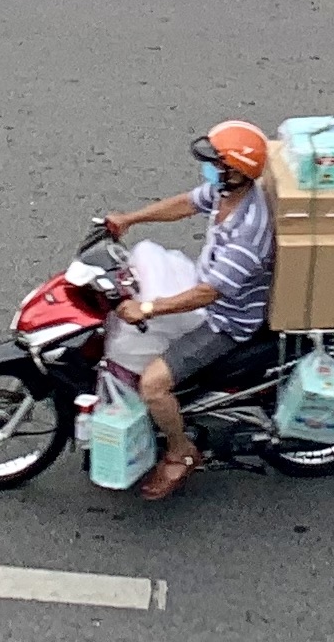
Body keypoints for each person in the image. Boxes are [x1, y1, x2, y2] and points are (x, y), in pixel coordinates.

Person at [91, 122, 276, 502]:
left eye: (218, 165)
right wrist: (130, 219)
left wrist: (148, 308)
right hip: (207, 290)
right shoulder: (229, 194)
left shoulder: (248, 233)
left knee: (153, 385)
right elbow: (187, 203)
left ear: (239, 171)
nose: (211, 171)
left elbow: (209, 294)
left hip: (227, 321)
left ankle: (181, 451)